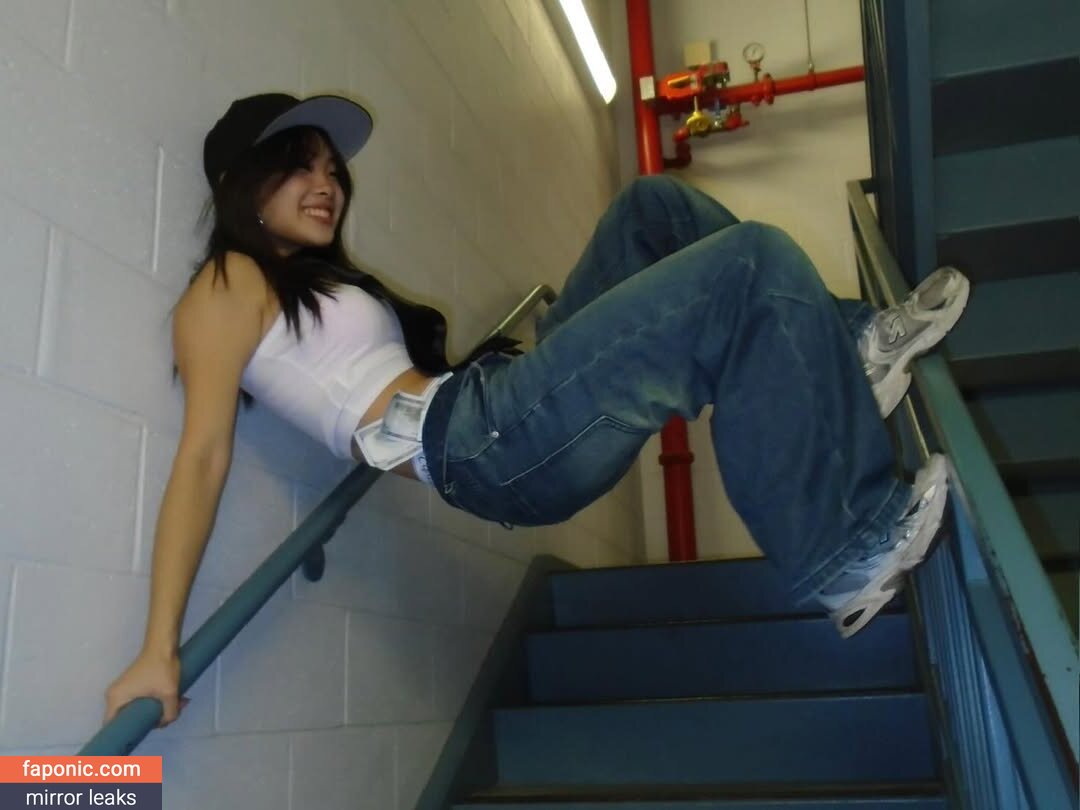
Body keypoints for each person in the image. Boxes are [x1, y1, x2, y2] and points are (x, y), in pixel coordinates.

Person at [104, 93, 969, 728]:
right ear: (244, 181)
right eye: (301, 164)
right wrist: (156, 649)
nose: (328, 184)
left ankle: (850, 351)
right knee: (747, 265)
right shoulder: (225, 285)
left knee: (651, 208)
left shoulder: (301, 280)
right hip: (485, 439)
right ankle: (840, 551)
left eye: (332, 169)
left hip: (499, 400)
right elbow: (202, 457)